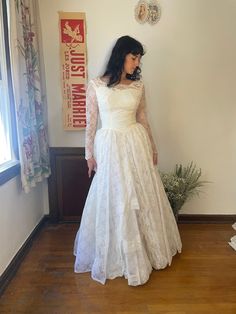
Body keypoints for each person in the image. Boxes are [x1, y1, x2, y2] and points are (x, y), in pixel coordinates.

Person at [73, 35, 182, 286]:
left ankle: (145, 250)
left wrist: (153, 147)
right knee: (114, 195)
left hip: (136, 143)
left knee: (141, 195)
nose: (136, 63)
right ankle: (116, 253)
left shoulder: (138, 86)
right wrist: (88, 154)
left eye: (139, 58)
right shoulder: (96, 85)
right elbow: (91, 123)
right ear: (120, 56)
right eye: (133, 57)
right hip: (110, 145)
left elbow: (143, 118)